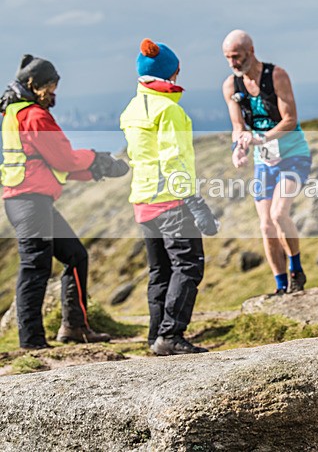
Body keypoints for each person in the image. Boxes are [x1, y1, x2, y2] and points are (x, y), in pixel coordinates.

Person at [1, 54, 129, 349]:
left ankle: (74, 326)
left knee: (75, 255)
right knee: (35, 267)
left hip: (28, 199)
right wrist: (99, 160)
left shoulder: (13, 113)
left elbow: (51, 166)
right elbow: (64, 158)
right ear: (35, 85)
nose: (54, 93)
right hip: (30, 203)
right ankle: (31, 341)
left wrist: (95, 170)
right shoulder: (34, 115)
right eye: (51, 86)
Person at [121, 39, 217, 356]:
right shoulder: (169, 111)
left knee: (160, 270)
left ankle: (155, 335)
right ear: (170, 72)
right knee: (188, 266)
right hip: (171, 201)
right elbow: (173, 159)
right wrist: (195, 202)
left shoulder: (132, 109)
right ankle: (171, 335)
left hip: (143, 200)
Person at [222, 30, 312, 296]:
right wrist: (237, 149)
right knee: (265, 225)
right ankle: (280, 285)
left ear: (250, 51)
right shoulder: (231, 85)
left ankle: (296, 270)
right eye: (227, 58)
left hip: (293, 154)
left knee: (279, 214)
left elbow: (289, 119)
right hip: (265, 161)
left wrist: (260, 139)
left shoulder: (276, 75)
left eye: (236, 57)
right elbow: (238, 127)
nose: (232, 63)